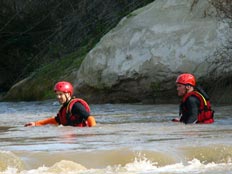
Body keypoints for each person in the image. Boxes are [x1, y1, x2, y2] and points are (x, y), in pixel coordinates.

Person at [25, 81, 96, 127]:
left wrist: (92, 133)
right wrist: (35, 124)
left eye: (60, 94)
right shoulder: (64, 108)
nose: (58, 97)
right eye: (57, 94)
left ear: (68, 94)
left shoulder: (76, 105)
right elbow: (55, 120)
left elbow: (90, 118)